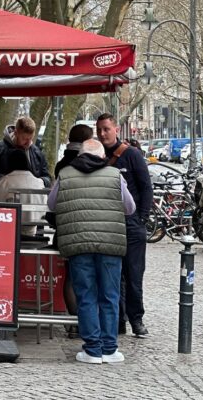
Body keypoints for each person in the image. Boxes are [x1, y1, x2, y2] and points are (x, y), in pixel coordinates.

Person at [48, 139, 136, 364]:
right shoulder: (115, 175)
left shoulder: (65, 174)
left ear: (81, 155)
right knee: (109, 296)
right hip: (109, 243)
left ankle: (92, 350)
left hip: (78, 243)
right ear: (101, 156)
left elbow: (52, 203)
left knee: (86, 296)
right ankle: (109, 348)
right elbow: (130, 207)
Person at [96, 113, 153, 338]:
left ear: (116, 129)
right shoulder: (97, 156)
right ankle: (117, 320)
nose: (102, 134)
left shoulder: (131, 155)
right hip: (108, 225)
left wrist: (142, 218)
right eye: (99, 129)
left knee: (133, 275)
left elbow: (146, 187)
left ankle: (136, 319)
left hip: (131, 225)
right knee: (111, 275)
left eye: (106, 129)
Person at [51, 123, 93, 339]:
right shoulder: (97, 163)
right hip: (92, 227)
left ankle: (74, 320)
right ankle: (87, 323)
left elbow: (52, 202)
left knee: (71, 276)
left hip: (66, 227)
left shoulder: (62, 165)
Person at [0, 117, 51, 188]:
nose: (28, 142)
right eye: (24, 139)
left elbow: (47, 178)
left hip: (29, 198)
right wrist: (8, 179)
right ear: (15, 133)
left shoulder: (37, 153)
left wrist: (38, 181)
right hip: (1, 197)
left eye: (31, 138)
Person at [0, 150, 46, 237]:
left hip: (7, 233)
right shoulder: (39, 183)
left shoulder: (3, 183)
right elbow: (43, 211)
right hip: (31, 232)